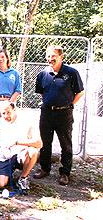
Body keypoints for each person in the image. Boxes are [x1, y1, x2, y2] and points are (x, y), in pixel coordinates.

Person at [34, 45, 84, 185]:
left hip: (64, 114)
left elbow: (80, 92)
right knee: (45, 142)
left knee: (65, 144)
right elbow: (42, 93)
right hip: (47, 113)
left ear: (61, 57)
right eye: (48, 56)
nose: (50, 59)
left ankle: (65, 173)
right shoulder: (42, 74)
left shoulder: (72, 73)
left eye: (53, 56)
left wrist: (69, 104)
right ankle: (44, 168)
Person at [0, 101, 42, 193]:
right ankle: (8, 173)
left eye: (8, 112)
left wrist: (17, 142)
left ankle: (23, 177)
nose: (6, 116)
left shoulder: (26, 122)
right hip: (5, 156)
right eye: (3, 113)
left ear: (14, 110)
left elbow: (39, 143)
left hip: (21, 154)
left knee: (33, 152)